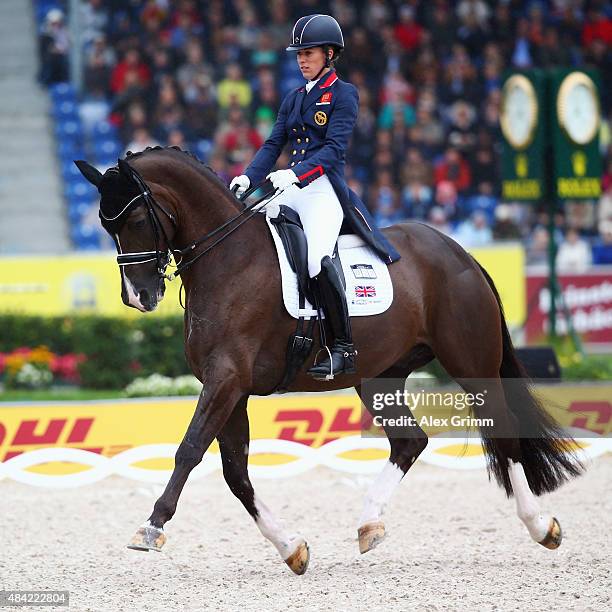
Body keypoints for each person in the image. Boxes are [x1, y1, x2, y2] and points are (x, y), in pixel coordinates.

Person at [230, 14, 400, 380]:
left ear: (329, 54)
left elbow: (334, 150)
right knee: (251, 236)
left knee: (317, 259)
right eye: (298, 54)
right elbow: (273, 143)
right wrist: (248, 177)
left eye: (309, 53)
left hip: (322, 189)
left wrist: (296, 173)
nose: (302, 60)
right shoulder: (293, 98)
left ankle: (343, 347)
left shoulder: (344, 94)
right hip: (288, 187)